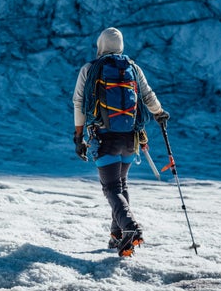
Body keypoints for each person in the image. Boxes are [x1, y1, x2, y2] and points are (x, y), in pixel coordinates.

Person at [72, 27, 169, 256]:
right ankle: (117, 237)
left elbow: (78, 103)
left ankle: (130, 228)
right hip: (130, 137)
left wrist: (78, 137)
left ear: (101, 44)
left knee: (112, 188)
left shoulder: (90, 69)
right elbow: (147, 96)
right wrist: (159, 113)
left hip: (105, 137)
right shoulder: (133, 68)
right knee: (122, 185)